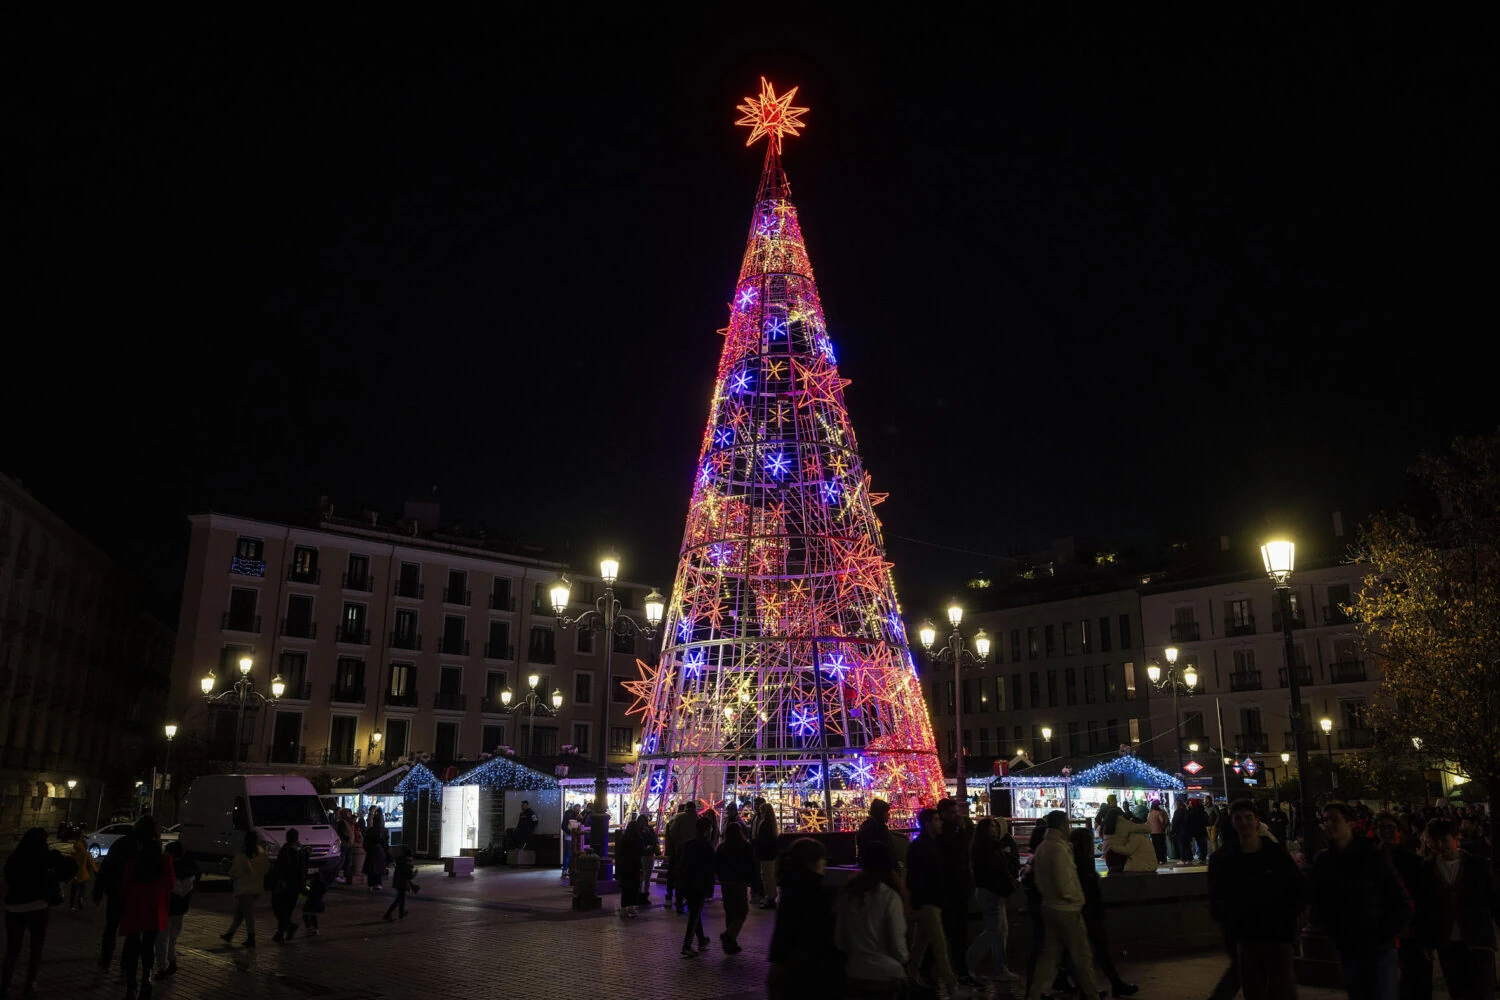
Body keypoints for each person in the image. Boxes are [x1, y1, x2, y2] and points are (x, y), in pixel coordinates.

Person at [1310, 801, 1411, 1000]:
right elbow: (1320, 902)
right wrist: (1333, 932)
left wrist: (1383, 934)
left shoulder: (1372, 856)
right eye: (1325, 821)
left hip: (1378, 947)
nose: (1329, 825)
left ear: (1350, 823)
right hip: (1349, 946)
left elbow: (1401, 902)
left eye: (1334, 820)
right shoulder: (1324, 860)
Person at [1207, 799, 1306, 1000]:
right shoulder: (1224, 859)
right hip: (1246, 937)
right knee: (1254, 990)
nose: (1244, 822)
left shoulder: (1275, 854)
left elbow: (1298, 887)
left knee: (1282, 990)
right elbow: (1216, 896)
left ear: (1257, 820)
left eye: (1248, 817)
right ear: (1232, 822)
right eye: (1239, 818)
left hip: (1277, 935)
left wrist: (1287, 918)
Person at [1025, 810, 1106, 1000]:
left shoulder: (1044, 846)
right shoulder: (1059, 849)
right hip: (1066, 909)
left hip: (1049, 905)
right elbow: (1064, 883)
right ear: (1062, 825)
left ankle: (1034, 993)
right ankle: (1091, 993)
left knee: (1049, 954)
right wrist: (1077, 899)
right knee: (1081, 955)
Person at [1420, 817, 1499, 1000]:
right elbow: (1425, 908)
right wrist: (1427, 941)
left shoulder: (1477, 865)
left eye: (1444, 839)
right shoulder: (1427, 869)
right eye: (1434, 840)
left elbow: (1493, 900)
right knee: (1458, 991)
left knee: (1483, 991)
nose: (1439, 845)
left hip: (1478, 939)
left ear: (1456, 838)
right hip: (1447, 941)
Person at [2, 828, 75, 999]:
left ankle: (5, 986)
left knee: (12, 950)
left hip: (15, 909)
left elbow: (7, 879)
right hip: (38, 908)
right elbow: (70, 868)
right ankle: (30, 984)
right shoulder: (47, 856)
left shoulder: (15, 857)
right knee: (36, 949)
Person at [767, 838, 841, 999]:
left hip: (791, 964)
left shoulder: (791, 885)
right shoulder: (813, 889)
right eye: (822, 859)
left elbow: (783, 930)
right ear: (812, 861)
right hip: (808, 966)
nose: (824, 864)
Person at [835, 839, 909, 999]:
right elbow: (898, 946)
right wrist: (904, 959)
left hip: (855, 972)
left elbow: (840, 941)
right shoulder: (890, 897)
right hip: (886, 975)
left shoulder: (849, 895)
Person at [1070, 827, 1140, 997]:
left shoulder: (1074, 863)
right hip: (1088, 914)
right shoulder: (1082, 865)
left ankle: (1090, 987)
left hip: (1084, 913)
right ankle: (1102, 986)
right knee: (1094, 952)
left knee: (1082, 953)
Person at [907, 807, 964, 996]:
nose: (941, 823)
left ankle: (910, 978)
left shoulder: (928, 844)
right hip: (928, 902)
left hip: (928, 901)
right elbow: (919, 877)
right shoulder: (925, 846)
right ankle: (951, 987)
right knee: (940, 947)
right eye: (937, 820)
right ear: (928, 824)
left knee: (919, 945)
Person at [118, 816, 173, 1000]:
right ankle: (146, 980)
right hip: (154, 909)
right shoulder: (165, 861)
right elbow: (170, 884)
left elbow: (125, 885)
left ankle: (131, 984)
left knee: (133, 946)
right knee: (148, 946)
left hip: (135, 907)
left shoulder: (134, 861)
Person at [967, 816, 1021, 982]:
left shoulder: (987, 848)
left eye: (996, 827)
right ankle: (968, 964)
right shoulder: (988, 849)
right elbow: (993, 873)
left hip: (991, 892)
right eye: (992, 827)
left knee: (1000, 931)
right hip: (990, 892)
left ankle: (999, 967)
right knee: (993, 931)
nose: (996, 830)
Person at [94, 815, 146, 971]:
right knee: (133, 931)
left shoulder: (121, 844)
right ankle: (127, 964)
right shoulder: (148, 848)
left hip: (117, 893)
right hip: (136, 896)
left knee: (111, 928)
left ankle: (106, 960)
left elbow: (106, 868)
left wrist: (98, 890)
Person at [936, 799, 977, 987]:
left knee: (951, 932)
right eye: (952, 812)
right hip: (952, 889)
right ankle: (956, 972)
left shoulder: (951, 831)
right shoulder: (948, 833)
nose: (956, 816)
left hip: (955, 888)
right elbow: (956, 855)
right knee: (953, 933)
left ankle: (956, 971)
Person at [154, 842, 198, 978]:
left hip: (167, 909)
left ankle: (163, 967)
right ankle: (171, 961)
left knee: (162, 939)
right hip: (181, 909)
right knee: (172, 938)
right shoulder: (190, 871)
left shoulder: (169, 871)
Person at [220, 830, 270, 947]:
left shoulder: (243, 854)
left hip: (244, 888)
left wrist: (229, 872)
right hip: (256, 886)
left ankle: (251, 937)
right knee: (240, 913)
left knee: (247, 914)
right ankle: (230, 934)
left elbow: (235, 871)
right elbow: (266, 868)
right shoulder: (261, 853)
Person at [678, 815, 716, 957]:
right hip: (699, 884)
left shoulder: (689, 845)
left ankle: (701, 940)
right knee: (694, 914)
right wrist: (710, 888)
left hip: (688, 883)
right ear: (707, 831)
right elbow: (710, 870)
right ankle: (687, 945)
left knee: (695, 912)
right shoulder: (707, 848)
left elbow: (683, 865)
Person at [715, 821, 756, 953]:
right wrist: (751, 879)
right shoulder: (745, 846)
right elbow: (751, 864)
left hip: (726, 882)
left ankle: (730, 942)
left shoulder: (722, 848)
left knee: (730, 912)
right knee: (742, 912)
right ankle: (729, 935)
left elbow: (717, 865)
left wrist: (720, 877)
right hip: (739, 882)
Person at [1101, 794, 1158, 873]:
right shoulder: (1123, 823)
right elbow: (1147, 829)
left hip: (1108, 858)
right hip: (1119, 857)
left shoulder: (1105, 825)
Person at [268, 829, 308, 942]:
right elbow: (303, 870)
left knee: (279, 906)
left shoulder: (286, 850)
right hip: (295, 885)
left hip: (285, 884)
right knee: (287, 909)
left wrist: (276, 880)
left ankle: (284, 930)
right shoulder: (302, 851)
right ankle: (282, 931)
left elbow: (280, 868)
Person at [666, 801, 699, 914]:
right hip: (694, 851)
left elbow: (673, 832)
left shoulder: (679, 817)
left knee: (678, 875)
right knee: (691, 877)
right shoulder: (698, 818)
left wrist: (677, 843)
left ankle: (677, 900)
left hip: (680, 850)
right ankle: (690, 900)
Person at [754, 802, 780, 909]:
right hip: (771, 854)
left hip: (765, 854)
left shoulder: (764, 824)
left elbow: (762, 840)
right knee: (769, 876)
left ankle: (770, 898)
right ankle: (771, 897)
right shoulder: (772, 825)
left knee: (766, 876)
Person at [384, 847, 418, 921]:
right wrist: (415, 873)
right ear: (409, 856)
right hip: (402, 884)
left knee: (401, 899)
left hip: (398, 883)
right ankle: (387, 914)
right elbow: (410, 875)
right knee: (398, 900)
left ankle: (401, 913)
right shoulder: (406, 863)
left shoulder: (400, 861)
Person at [856, 799, 892, 865]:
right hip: (879, 865)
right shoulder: (881, 828)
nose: (888, 815)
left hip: (866, 865)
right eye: (887, 813)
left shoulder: (865, 825)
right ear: (881, 813)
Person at [68, 828, 97, 910]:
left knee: (73, 890)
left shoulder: (73, 855)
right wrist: (96, 871)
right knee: (82, 889)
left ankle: (72, 905)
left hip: (75, 875)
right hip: (84, 875)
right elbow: (91, 864)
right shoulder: (86, 854)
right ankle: (80, 898)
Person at [364, 808, 388, 889]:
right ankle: (378, 883)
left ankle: (370, 884)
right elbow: (385, 842)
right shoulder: (384, 830)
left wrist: (367, 848)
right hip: (380, 851)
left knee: (371, 869)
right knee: (379, 868)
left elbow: (366, 841)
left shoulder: (370, 830)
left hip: (371, 851)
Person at [302, 871, 327, 935]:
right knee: (313, 916)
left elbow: (305, 893)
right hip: (317, 902)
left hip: (311, 902)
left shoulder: (311, 885)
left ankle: (311, 928)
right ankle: (315, 929)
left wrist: (305, 889)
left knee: (306, 916)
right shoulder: (322, 885)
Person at [334, 808, 354, 883]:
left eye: (350, 813)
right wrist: (347, 838)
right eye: (348, 813)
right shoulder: (342, 822)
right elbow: (341, 833)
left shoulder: (349, 822)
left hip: (349, 845)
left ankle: (346, 877)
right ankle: (336, 875)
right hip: (344, 844)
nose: (349, 814)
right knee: (342, 860)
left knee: (348, 861)